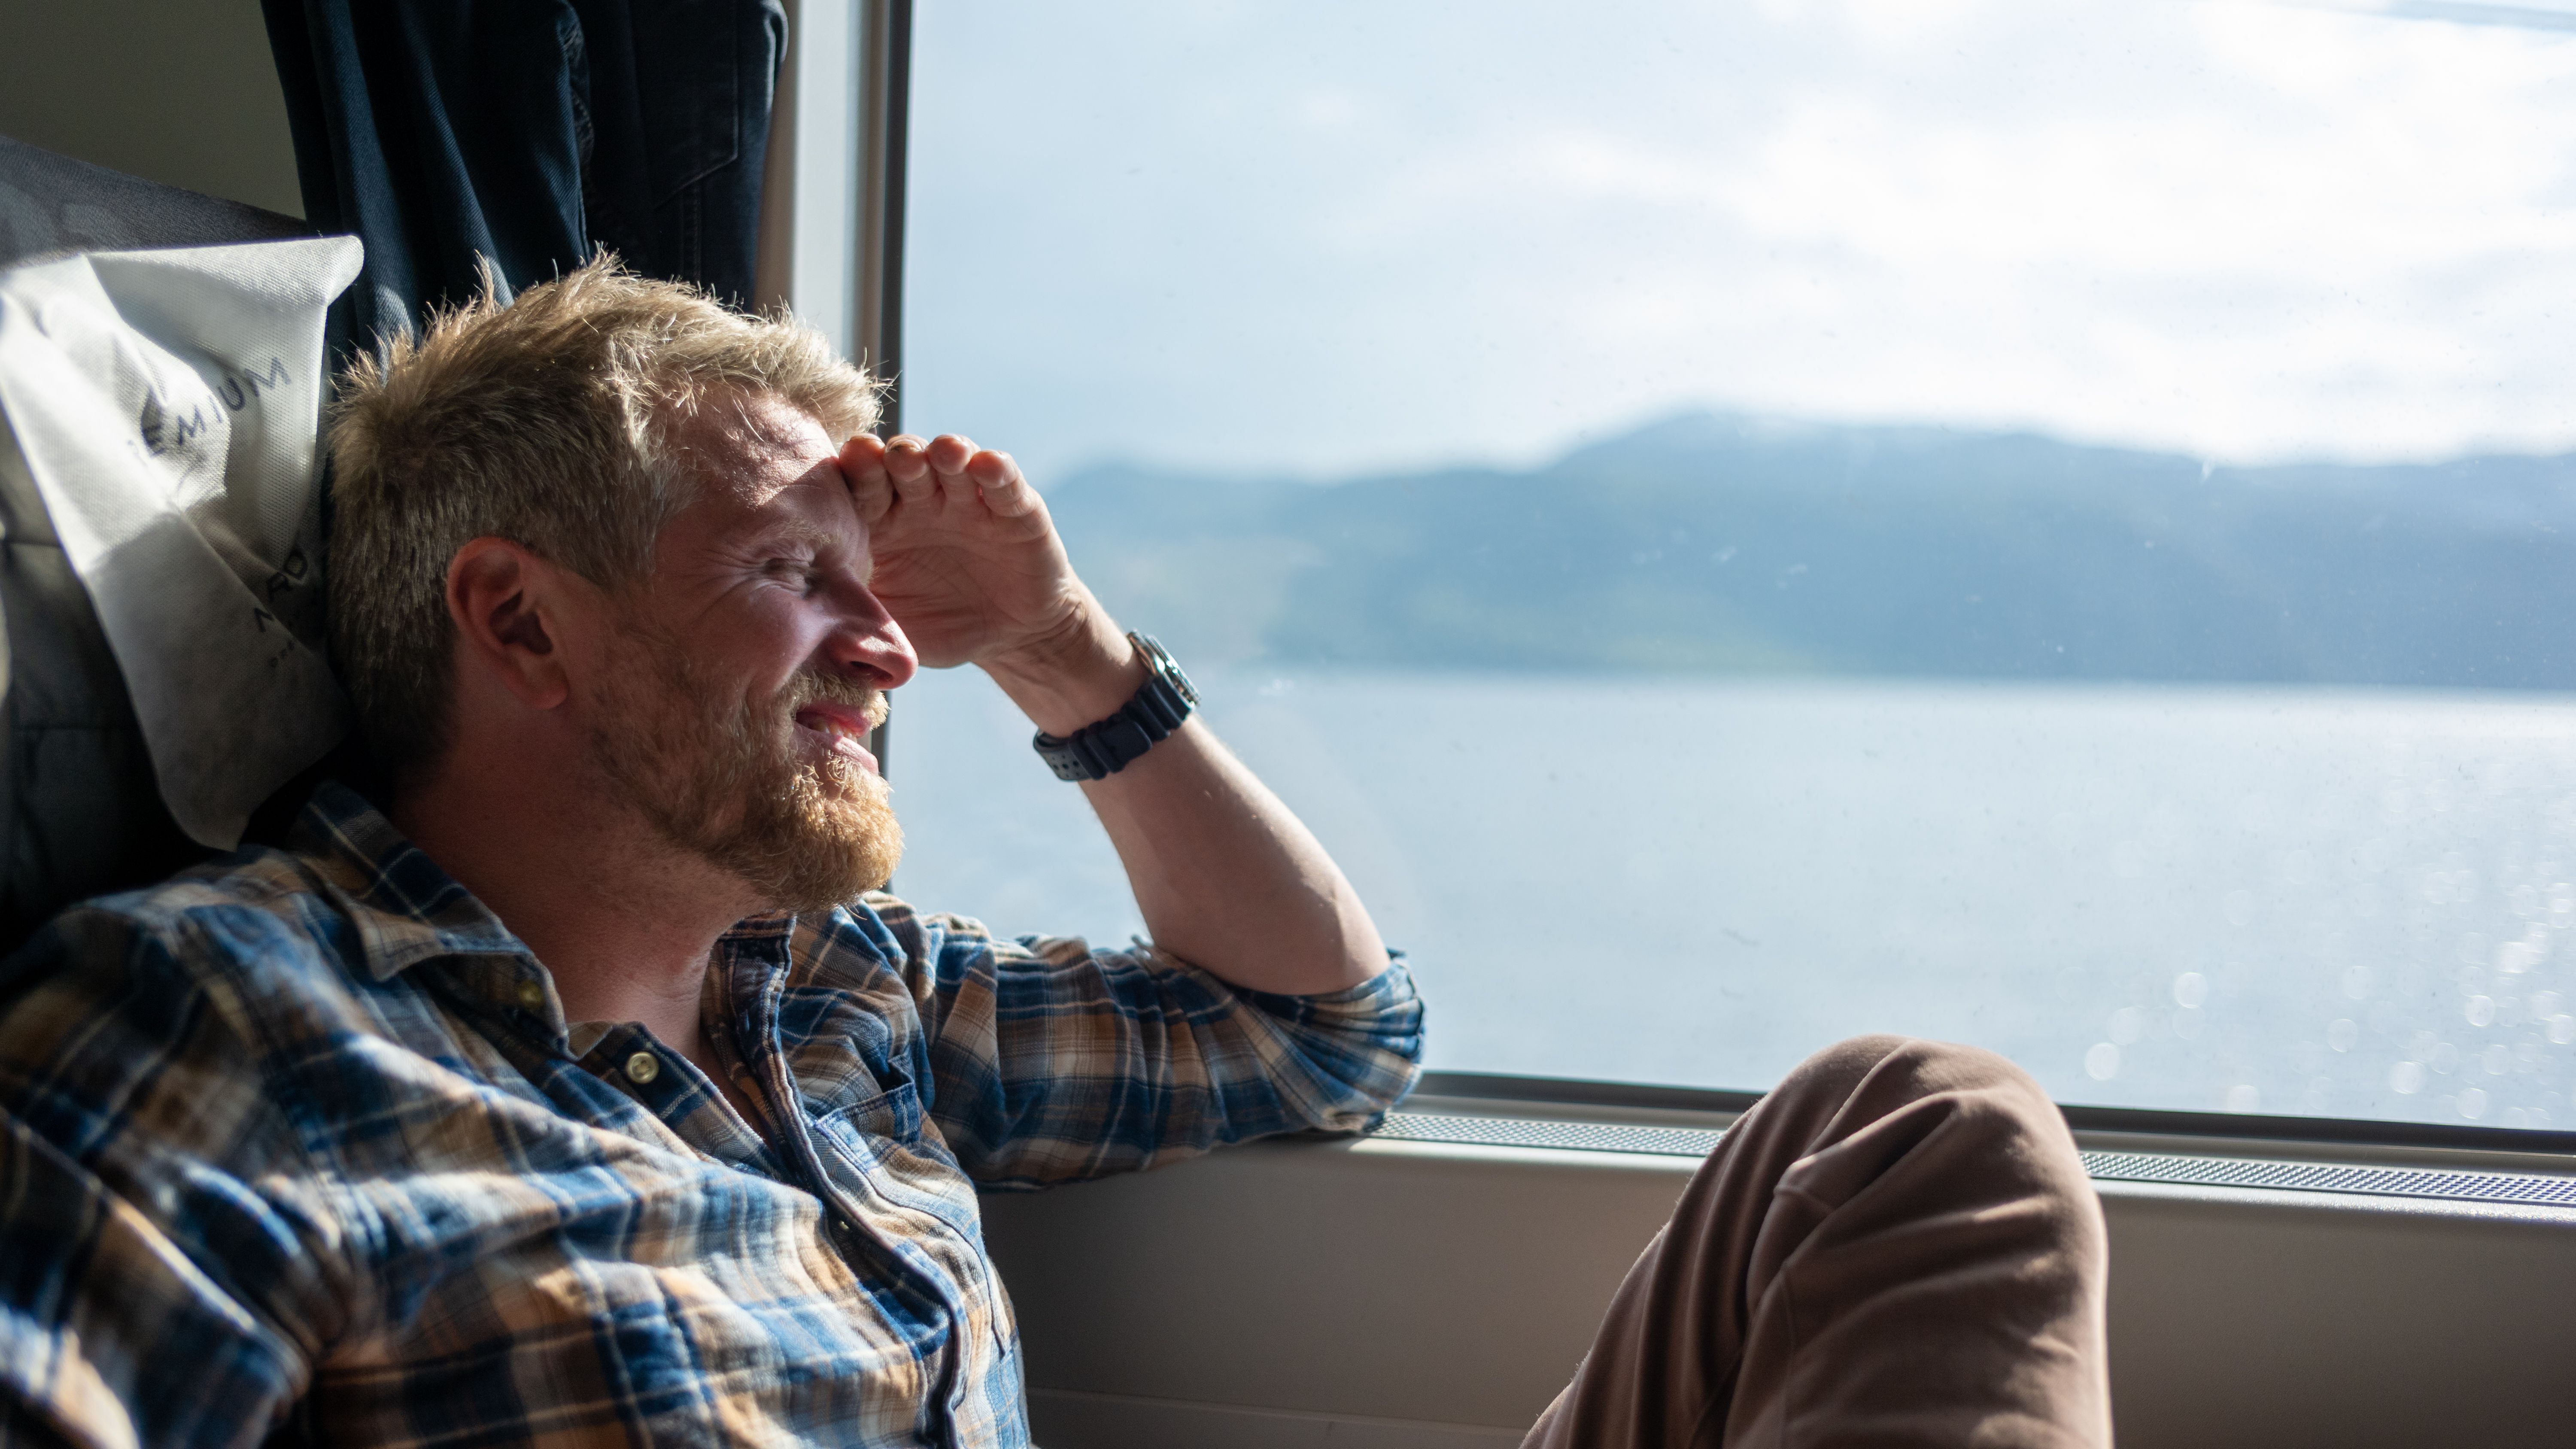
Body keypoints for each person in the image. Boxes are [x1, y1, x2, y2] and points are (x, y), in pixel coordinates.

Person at [0, 261, 2109, 1449]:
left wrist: (1063, 644)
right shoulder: (235, 1030)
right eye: (794, 574)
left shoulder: (835, 995)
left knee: (1915, 1133)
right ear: (522, 620)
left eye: (887, 591)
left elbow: (1320, 1036)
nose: (892, 644)